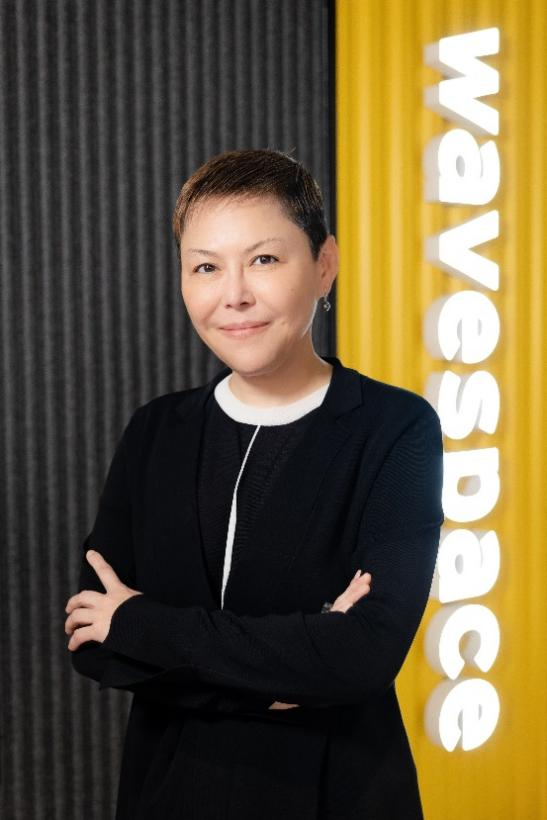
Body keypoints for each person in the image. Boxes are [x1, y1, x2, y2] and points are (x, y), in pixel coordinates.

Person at [64, 148, 444, 819]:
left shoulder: (394, 427)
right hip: (168, 794)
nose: (233, 294)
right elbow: (94, 641)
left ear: (323, 264)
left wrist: (142, 625)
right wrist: (290, 664)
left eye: (264, 259)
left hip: (333, 794)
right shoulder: (156, 430)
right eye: (206, 267)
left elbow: (364, 654)